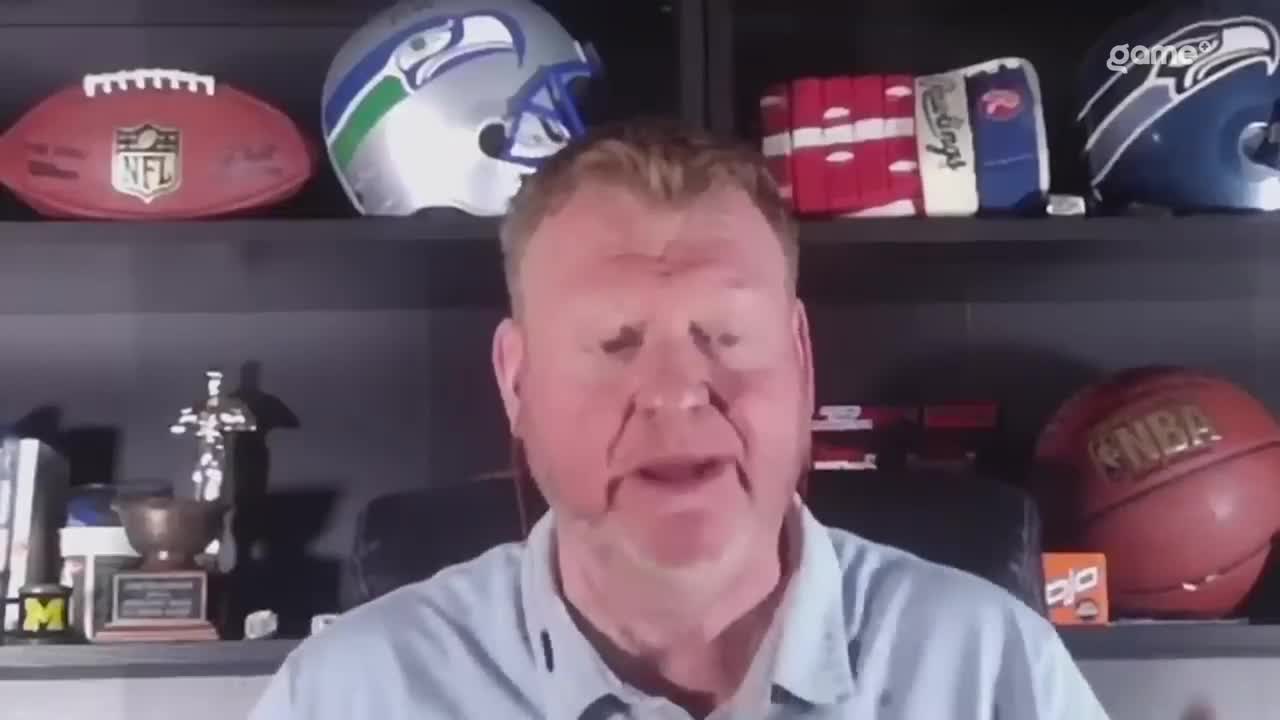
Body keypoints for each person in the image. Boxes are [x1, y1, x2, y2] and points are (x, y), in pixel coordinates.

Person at [247, 118, 1111, 720]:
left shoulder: (991, 669)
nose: (675, 390)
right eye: (614, 341)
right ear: (517, 382)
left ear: (802, 360)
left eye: (726, 335)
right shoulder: (349, 695)